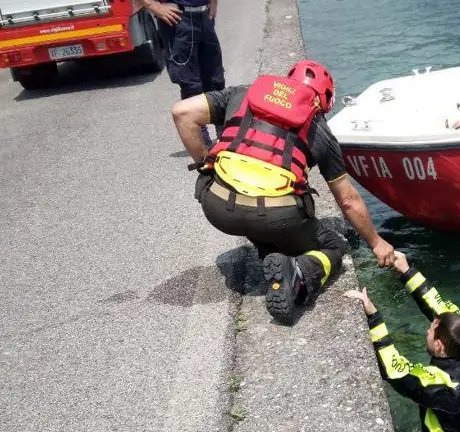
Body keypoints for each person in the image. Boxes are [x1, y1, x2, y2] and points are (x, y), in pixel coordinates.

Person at [170, 59, 396, 324]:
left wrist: (205, 162)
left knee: (258, 215)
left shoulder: (242, 94)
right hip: (275, 217)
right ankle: (300, 271)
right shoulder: (318, 127)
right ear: (323, 100)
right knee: (334, 245)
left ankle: (272, 254)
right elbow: (347, 200)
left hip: (217, 208)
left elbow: (182, 112)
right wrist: (376, 242)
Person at [345, 251, 460, 432]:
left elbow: (393, 370)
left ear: (439, 345)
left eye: (430, 331)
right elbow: (439, 307)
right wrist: (406, 270)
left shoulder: (438, 387)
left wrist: (373, 316)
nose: (427, 331)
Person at [139, 0, 226, 148]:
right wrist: (155, 7)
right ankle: (202, 141)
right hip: (179, 20)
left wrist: (214, 2)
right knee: (191, 85)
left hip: (204, 16)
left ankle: (225, 136)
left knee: (216, 81)